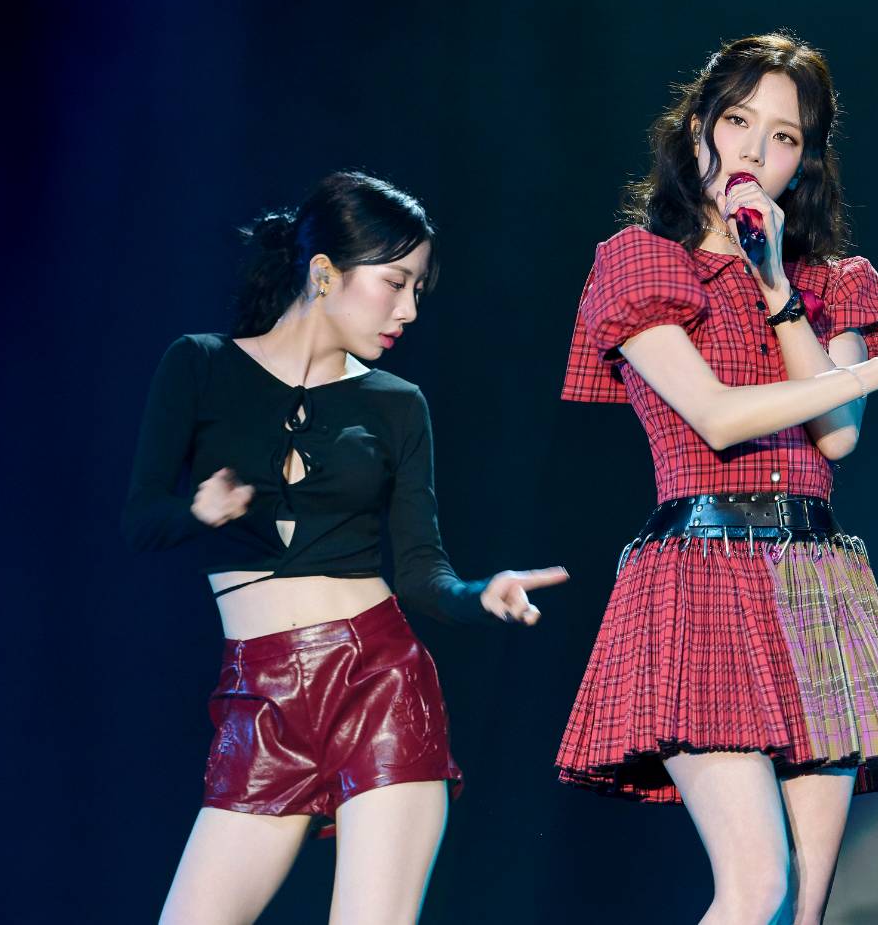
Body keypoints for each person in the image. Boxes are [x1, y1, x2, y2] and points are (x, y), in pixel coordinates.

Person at [557, 33, 878, 925]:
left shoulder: (835, 282)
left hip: (817, 583)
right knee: (756, 889)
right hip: (699, 574)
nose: (754, 150)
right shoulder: (642, 261)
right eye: (737, 122)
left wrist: (778, 283)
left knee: (803, 910)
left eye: (783, 136)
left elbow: (836, 436)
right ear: (698, 128)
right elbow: (714, 415)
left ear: (804, 159)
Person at [123, 170, 566, 924]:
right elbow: (142, 520)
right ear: (325, 272)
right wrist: (199, 511)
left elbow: (421, 572)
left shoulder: (397, 404)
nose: (409, 308)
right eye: (395, 283)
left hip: (378, 681)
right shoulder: (199, 364)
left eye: (418, 289)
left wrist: (477, 594)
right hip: (258, 697)